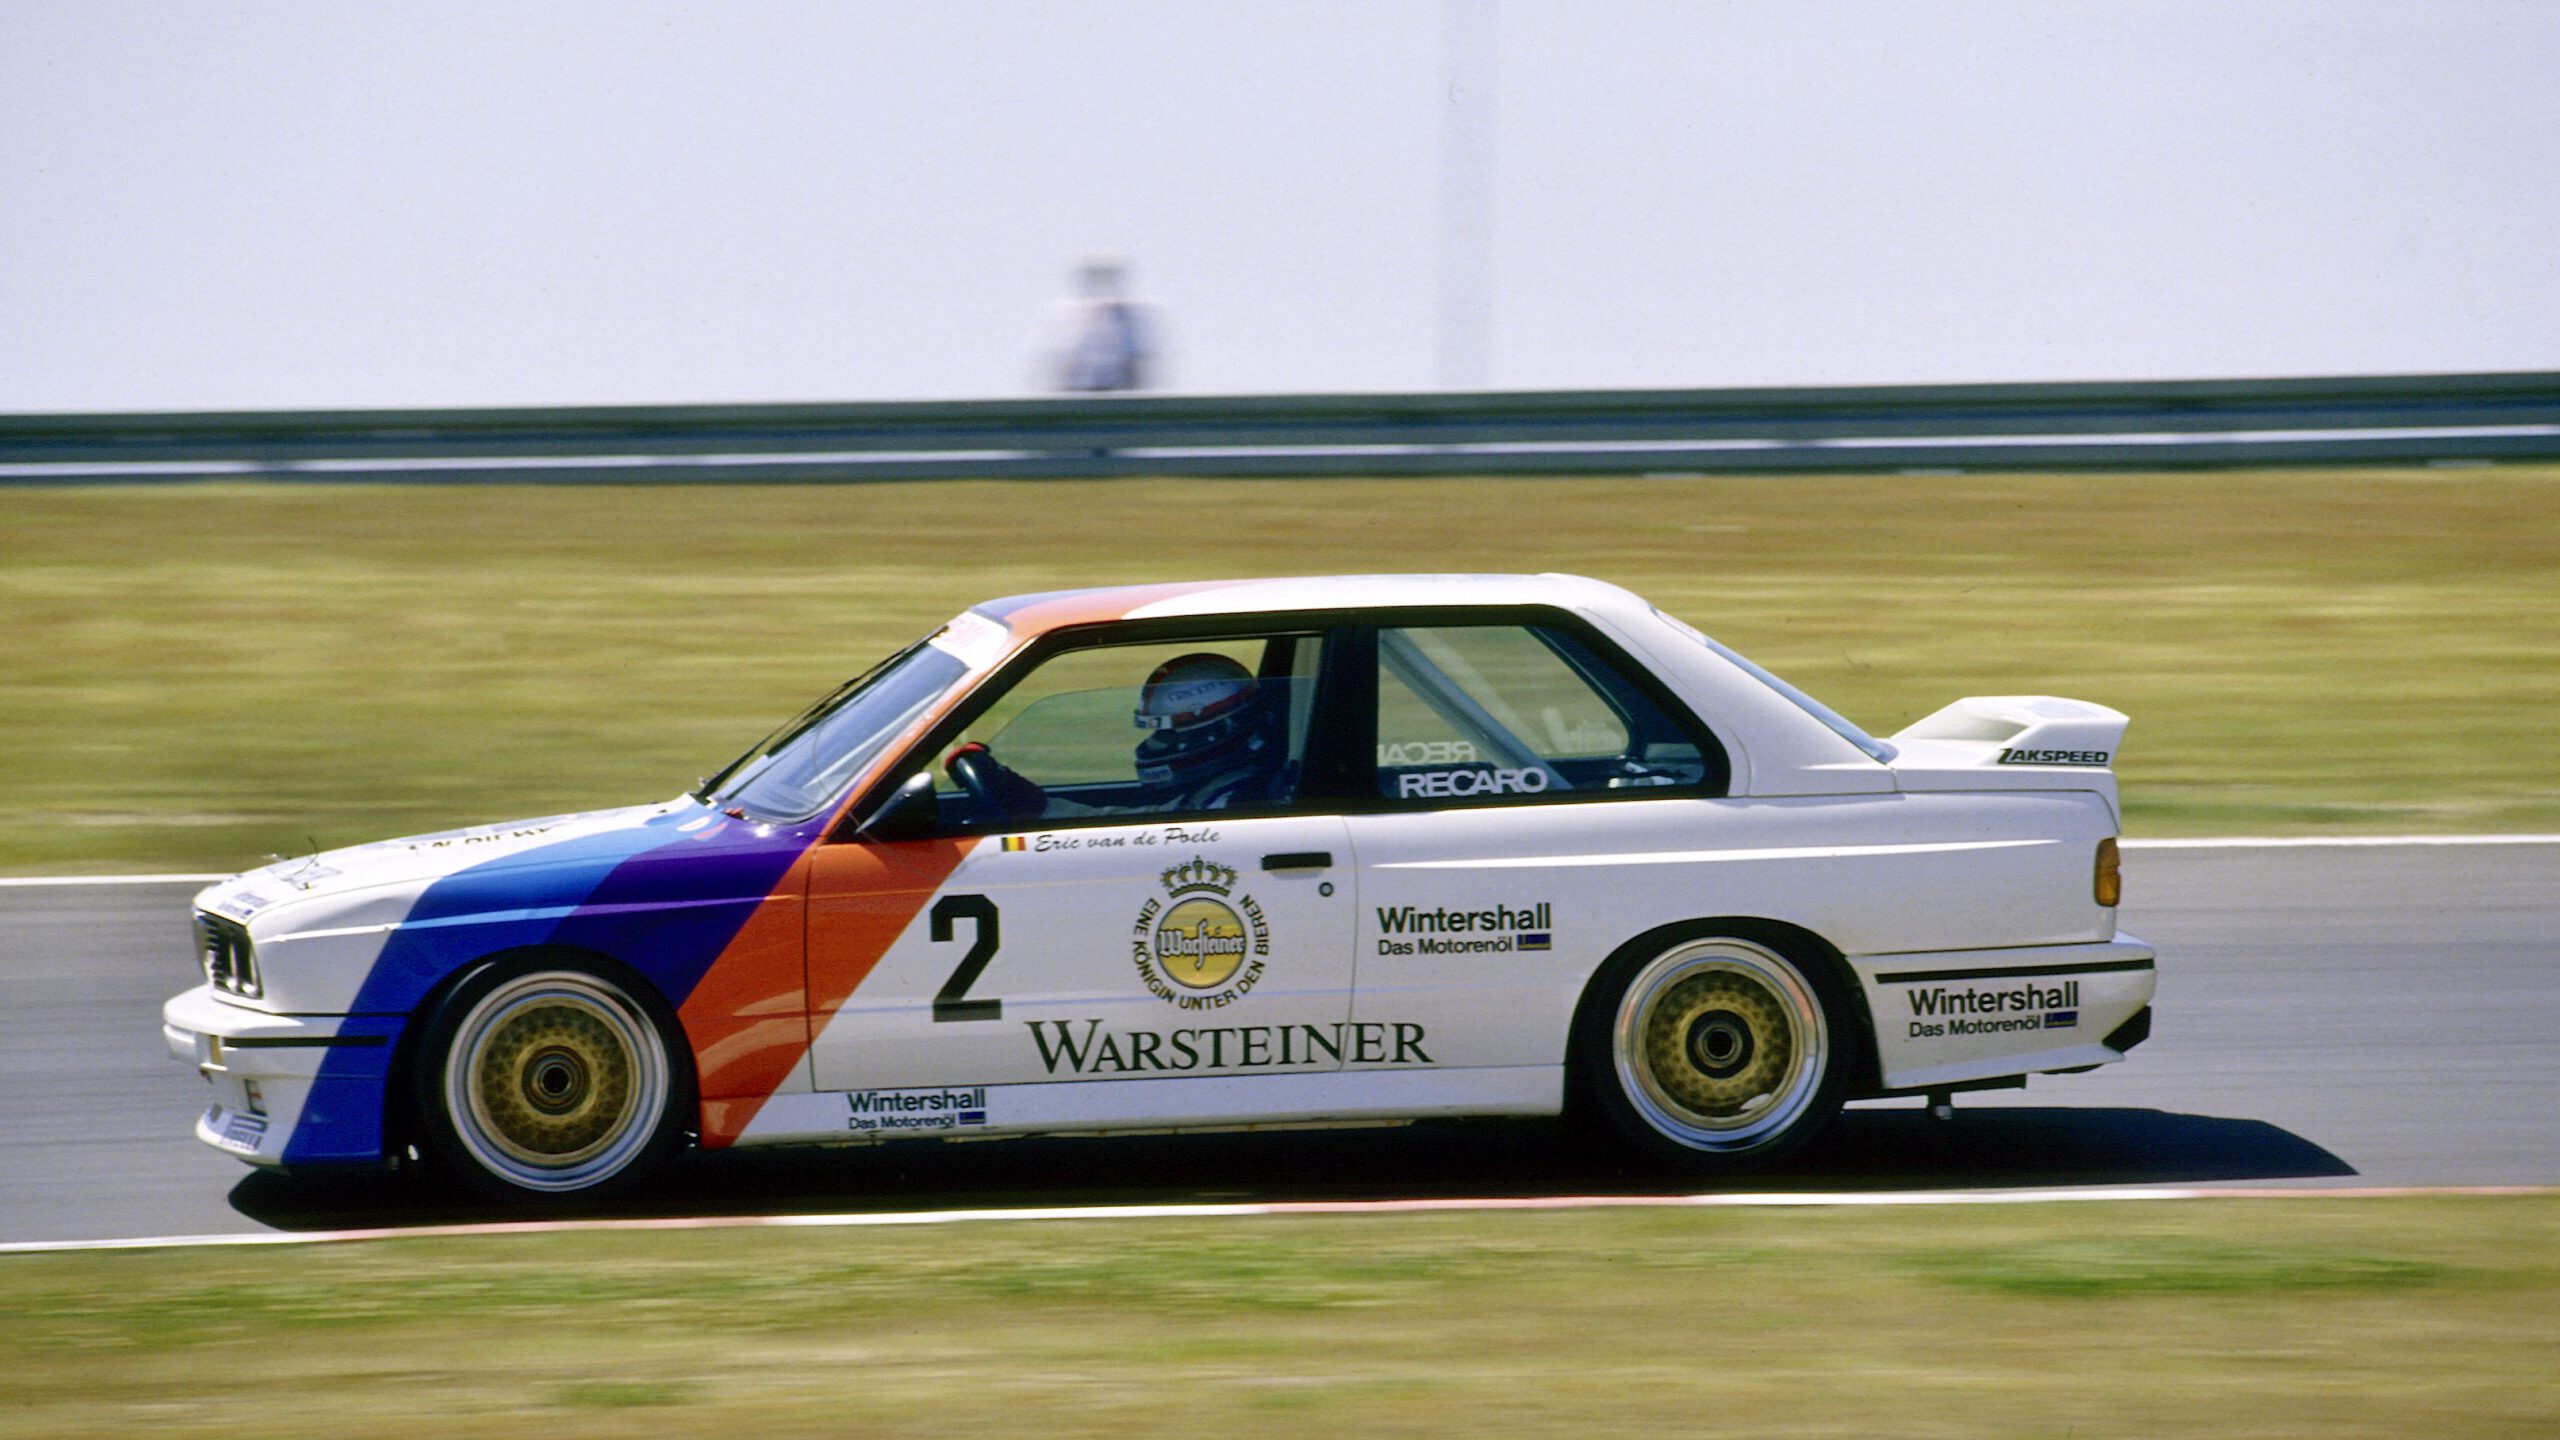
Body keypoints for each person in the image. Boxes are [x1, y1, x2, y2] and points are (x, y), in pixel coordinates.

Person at [948, 653, 1287, 821]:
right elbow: (1143, 821)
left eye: (1166, 734)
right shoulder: (1212, 794)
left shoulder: (1236, 803)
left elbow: (1149, 838)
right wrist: (1035, 805)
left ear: (1214, 733)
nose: (1155, 746)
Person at [1038, 257, 1156, 393]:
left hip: (1120, 395)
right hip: (1076, 393)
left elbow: (1138, 364)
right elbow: (1059, 364)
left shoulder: (1129, 316)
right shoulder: (1067, 315)